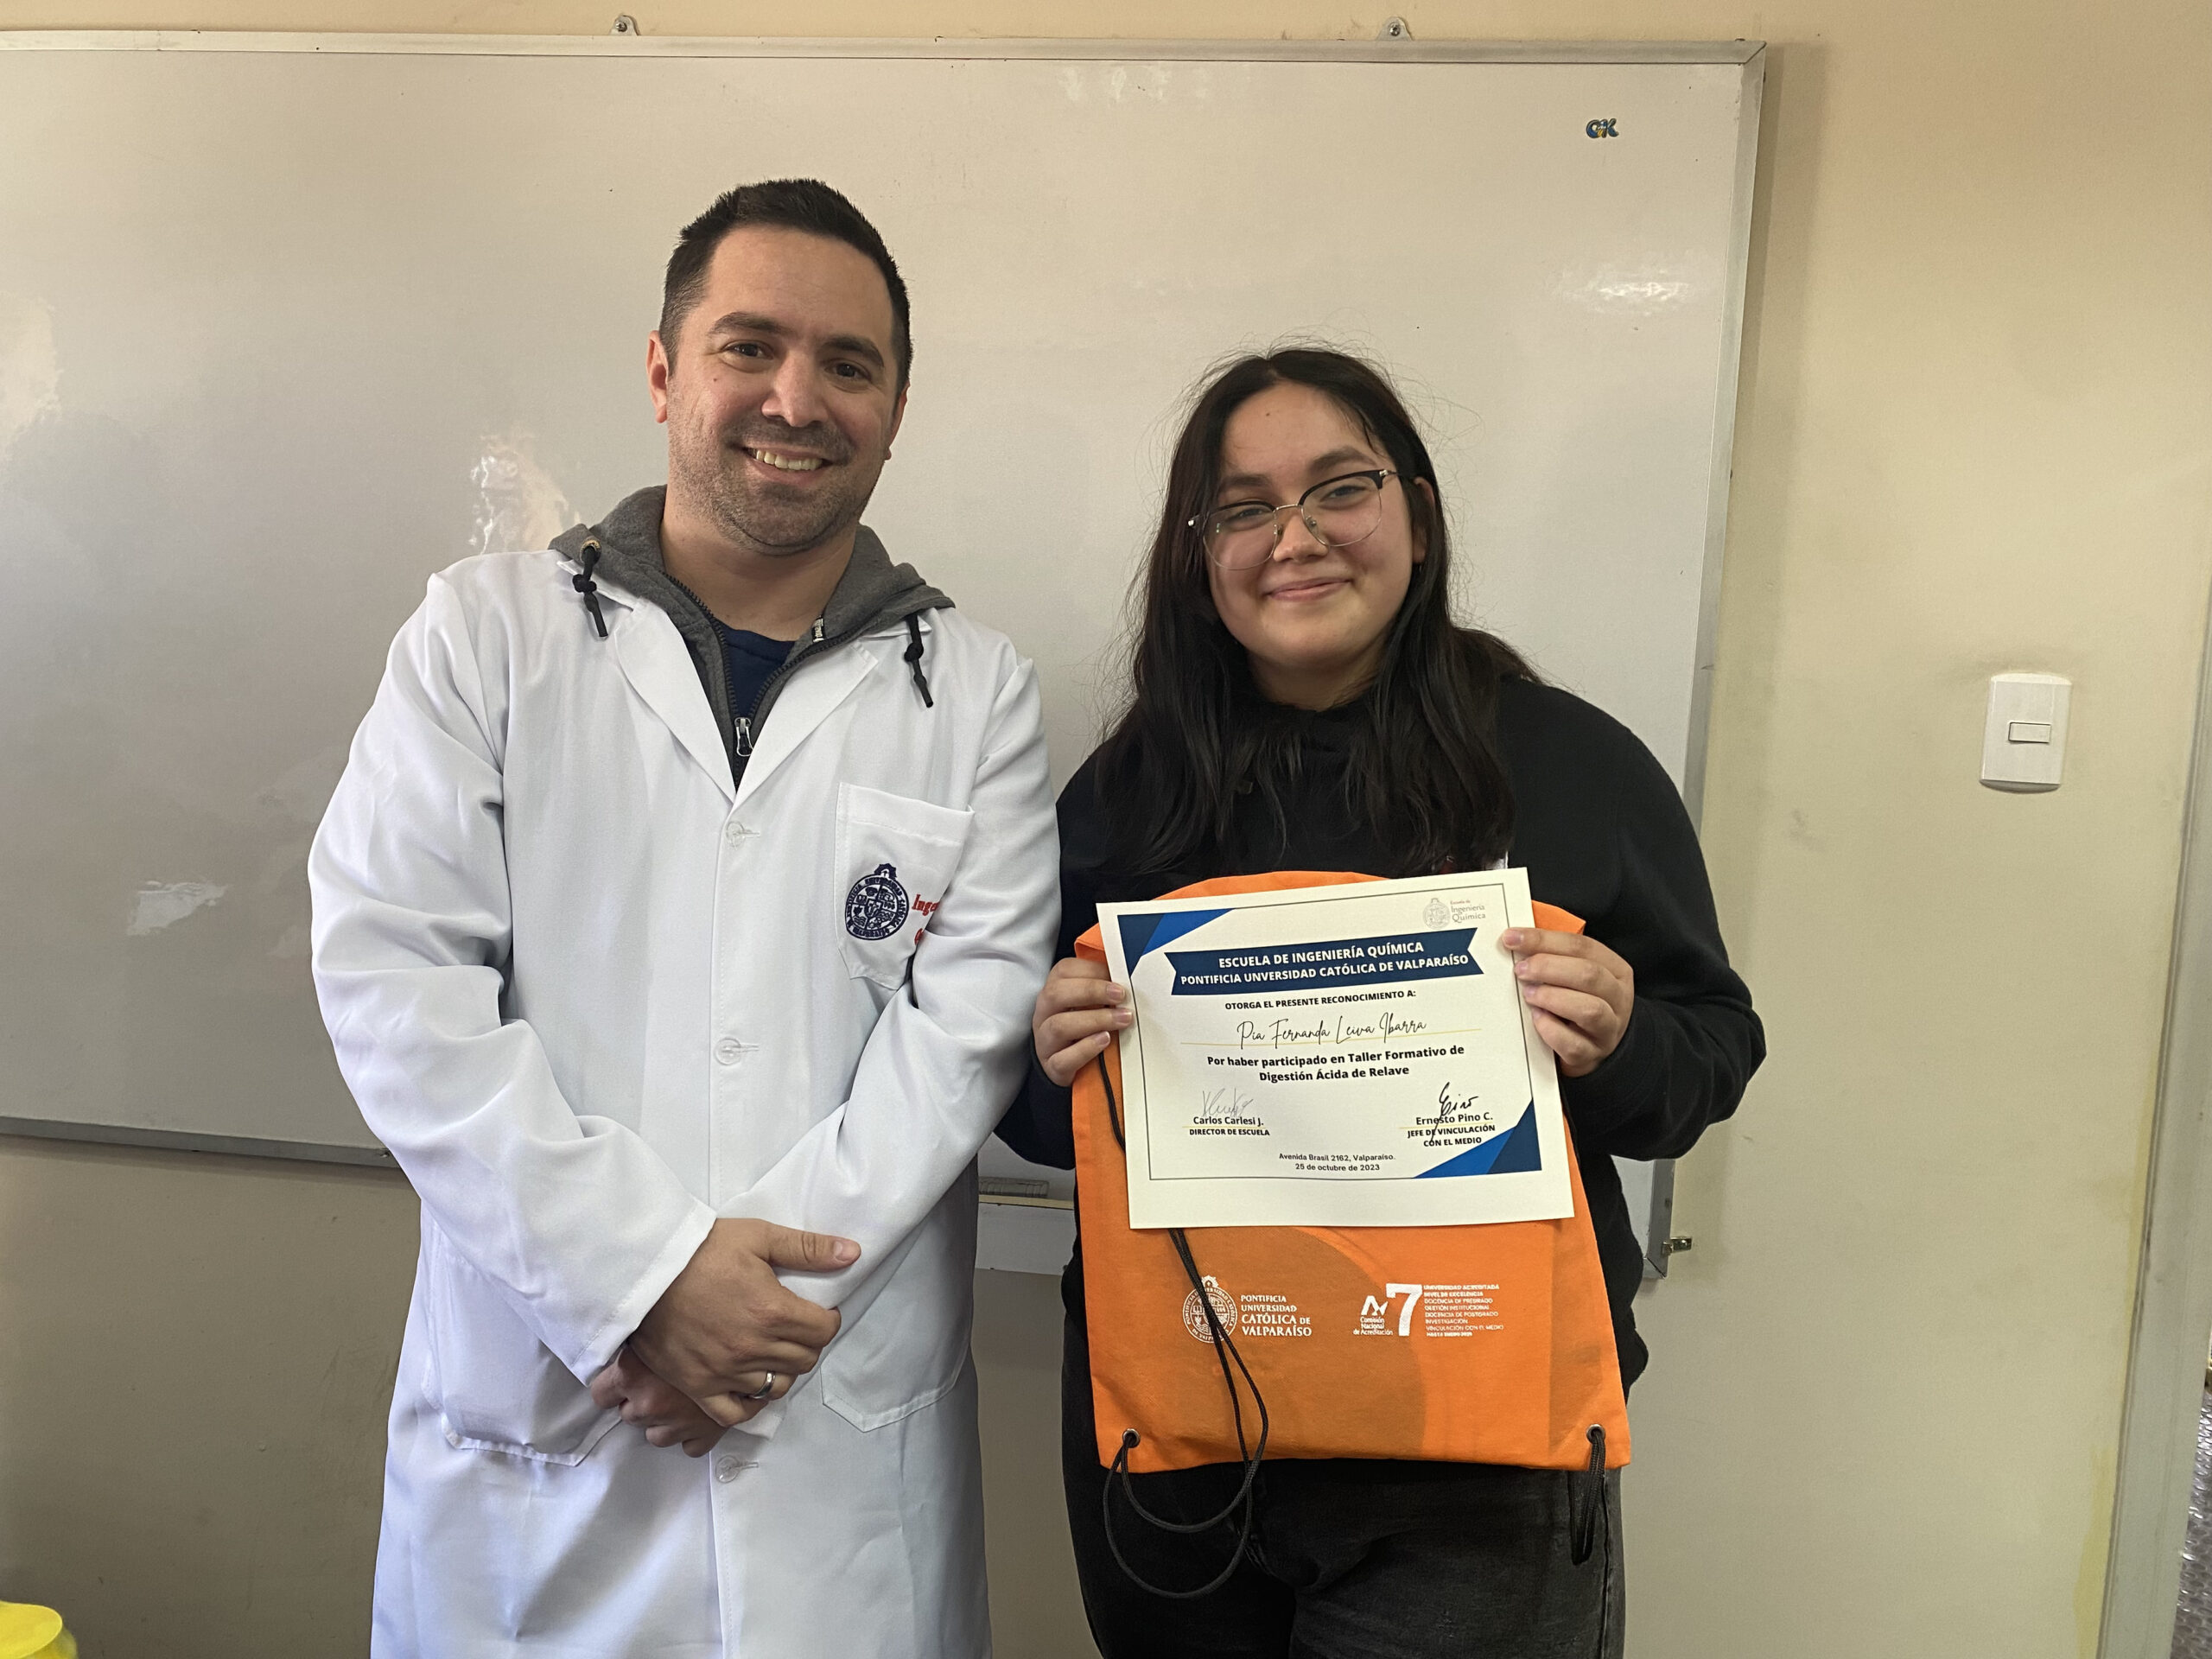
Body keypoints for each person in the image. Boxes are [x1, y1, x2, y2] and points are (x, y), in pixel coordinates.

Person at [310, 179, 1058, 1658]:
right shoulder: (483, 637)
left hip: (832, 1440)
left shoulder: (977, 694)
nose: (797, 399)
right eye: (749, 347)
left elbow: (965, 1037)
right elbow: (399, 983)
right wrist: (637, 1280)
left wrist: (743, 1314)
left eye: (849, 364)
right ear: (663, 371)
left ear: (896, 411)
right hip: (546, 1421)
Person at [995, 347, 1764, 1657]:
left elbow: (1709, 1058)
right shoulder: (1129, 792)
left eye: (1339, 488)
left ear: (1417, 511)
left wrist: (1624, 1036)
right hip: (1184, 1446)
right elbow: (1034, 1117)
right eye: (1242, 507)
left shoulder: (1567, 763)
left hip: (1473, 1464)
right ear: (1199, 552)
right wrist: (1048, 1057)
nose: (1293, 538)